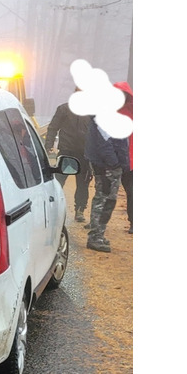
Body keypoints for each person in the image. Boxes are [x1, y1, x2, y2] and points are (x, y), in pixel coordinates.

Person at [84, 111, 131, 253]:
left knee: (106, 200)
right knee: (104, 201)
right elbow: (104, 145)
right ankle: (95, 237)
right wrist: (115, 164)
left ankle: (98, 234)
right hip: (107, 167)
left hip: (108, 166)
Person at [44, 89, 93, 223]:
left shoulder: (92, 112)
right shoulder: (64, 109)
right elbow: (53, 128)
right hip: (66, 152)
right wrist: (48, 145)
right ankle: (54, 208)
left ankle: (80, 210)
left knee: (83, 184)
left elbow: (97, 133)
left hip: (84, 154)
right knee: (58, 181)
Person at [114, 81, 133, 234]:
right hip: (114, 161)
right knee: (106, 194)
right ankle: (98, 227)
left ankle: (133, 222)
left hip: (132, 161)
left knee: (132, 192)